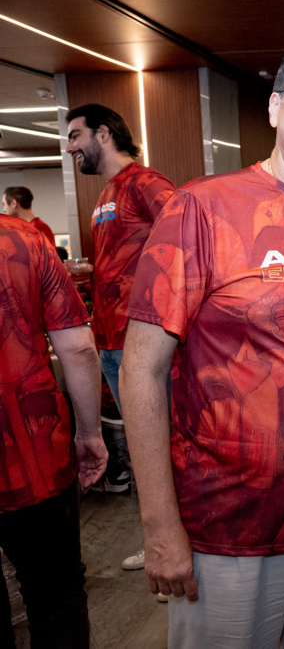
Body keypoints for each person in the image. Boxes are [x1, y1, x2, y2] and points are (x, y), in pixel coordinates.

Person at [119, 32, 284, 648]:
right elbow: (140, 371)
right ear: (274, 106)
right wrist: (159, 526)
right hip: (226, 528)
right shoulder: (200, 210)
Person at [65, 103, 176, 572]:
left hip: (144, 339)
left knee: (163, 443)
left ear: (103, 134)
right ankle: (160, 538)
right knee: (140, 444)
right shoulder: (106, 192)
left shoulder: (146, 182)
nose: (70, 147)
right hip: (110, 338)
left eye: (75, 135)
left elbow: (186, 240)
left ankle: (180, 543)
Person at [0, 214, 107, 648]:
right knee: (54, 596)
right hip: (34, 455)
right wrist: (90, 434)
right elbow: (78, 347)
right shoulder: (23, 239)